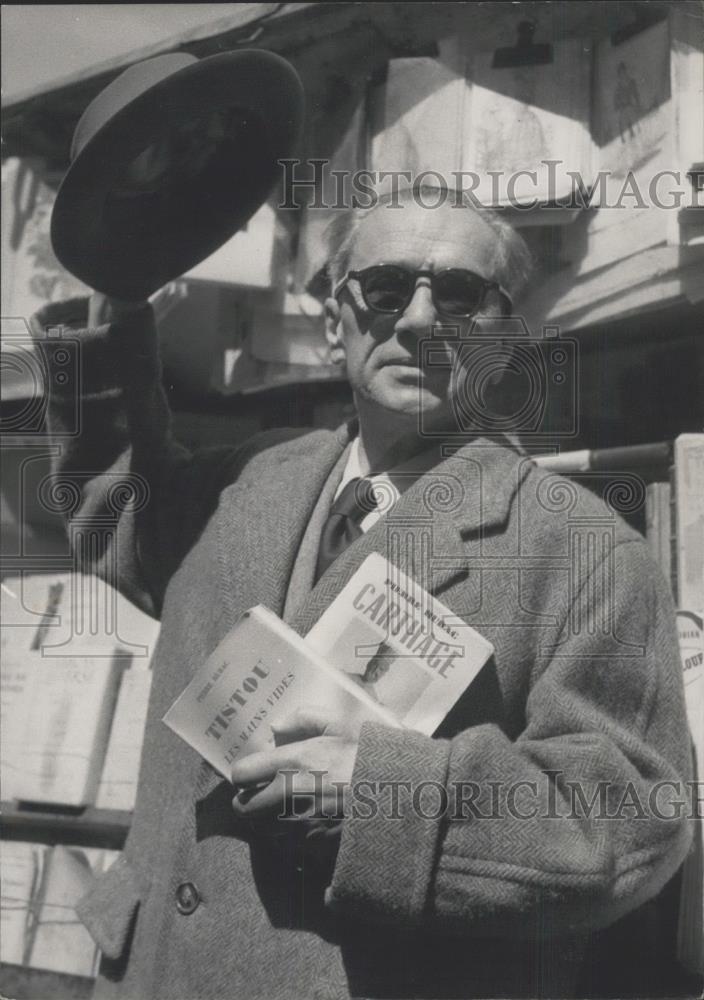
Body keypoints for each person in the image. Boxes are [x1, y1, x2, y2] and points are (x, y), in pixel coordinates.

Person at [32, 184, 693, 1000]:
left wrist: (383, 796)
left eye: (458, 294)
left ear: (506, 335)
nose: (418, 321)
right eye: (384, 289)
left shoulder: (586, 552)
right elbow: (112, 507)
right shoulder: (247, 479)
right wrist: (115, 289)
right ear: (333, 316)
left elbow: (629, 820)